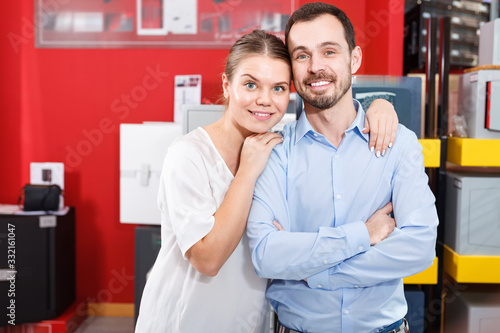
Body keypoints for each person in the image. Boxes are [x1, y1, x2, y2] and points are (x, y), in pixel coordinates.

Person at [135, 29, 398, 333]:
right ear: (226, 84)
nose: (264, 100)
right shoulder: (189, 155)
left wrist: (380, 106)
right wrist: (247, 171)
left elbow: (293, 254)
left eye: (278, 88)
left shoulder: (279, 152)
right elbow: (207, 259)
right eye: (250, 84)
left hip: (249, 323)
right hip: (182, 322)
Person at [246, 3, 439, 333]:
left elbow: (419, 248)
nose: (316, 67)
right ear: (291, 69)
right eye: (302, 55)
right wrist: (363, 235)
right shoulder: (273, 151)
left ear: (354, 59)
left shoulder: (399, 144)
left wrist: (316, 272)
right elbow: (266, 254)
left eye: (329, 51)